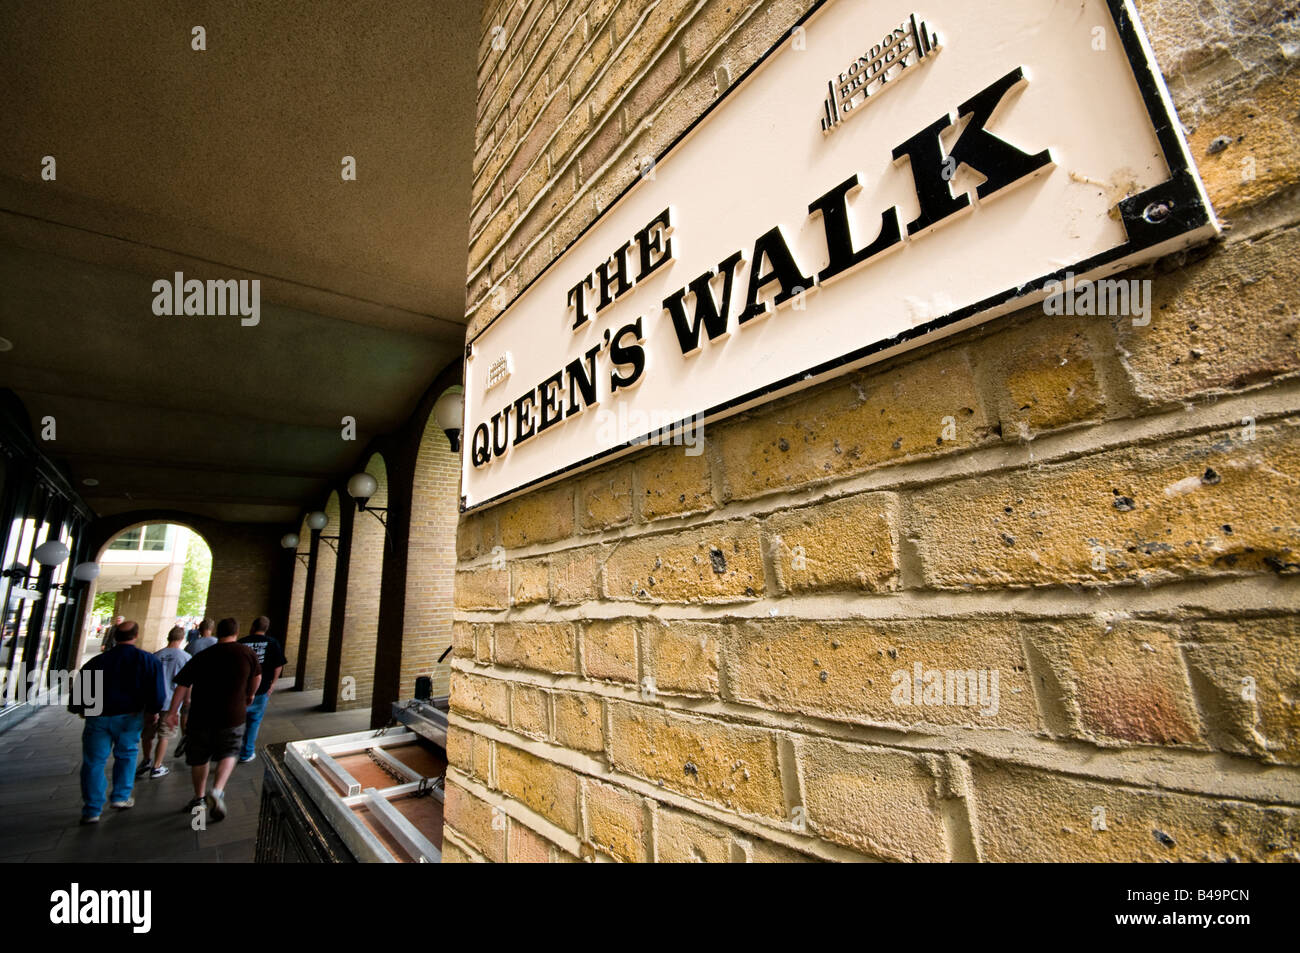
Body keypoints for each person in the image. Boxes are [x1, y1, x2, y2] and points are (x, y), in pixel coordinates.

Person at [164, 618, 260, 822]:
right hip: (232, 715)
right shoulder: (246, 653)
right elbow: (257, 677)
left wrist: (173, 712)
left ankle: (199, 797)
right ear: (237, 632)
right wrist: (251, 694)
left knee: (200, 757)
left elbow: (182, 684)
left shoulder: (202, 656)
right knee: (230, 751)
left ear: (217, 632)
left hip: (201, 716)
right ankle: (217, 790)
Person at [70, 620, 165, 824]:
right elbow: (157, 693)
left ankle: (92, 809)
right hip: (130, 718)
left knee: (94, 762)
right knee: (127, 754)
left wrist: (80, 709)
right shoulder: (148, 661)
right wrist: (153, 712)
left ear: (114, 637)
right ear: (136, 635)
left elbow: (80, 692)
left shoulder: (97, 662)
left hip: (99, 717)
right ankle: (121, 797)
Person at [136, 625, 189, 778]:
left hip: (152, 701)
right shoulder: (185, 657)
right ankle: (157, 766)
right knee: (164, 735)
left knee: (148, 733)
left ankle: (146, 759)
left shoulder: (155, 655)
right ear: (181, 638)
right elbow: (186, 683)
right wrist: (186, 701)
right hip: (171, 702)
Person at [236, 616, 286, 764]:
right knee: (254, 722)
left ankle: (228, 752)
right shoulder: (272, 643)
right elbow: (279, 664)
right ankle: (246, 753)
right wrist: (273, 684)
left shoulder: (242, 643)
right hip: (262, 688)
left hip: (240, 690)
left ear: (252, 627)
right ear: (266, 629)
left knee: (235, 721)